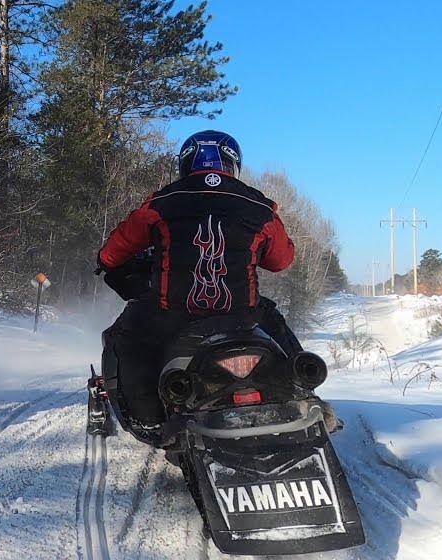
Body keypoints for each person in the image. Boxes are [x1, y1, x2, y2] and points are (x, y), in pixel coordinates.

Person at [97, 129, 306, 441]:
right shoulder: (259, 206)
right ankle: (304, 392)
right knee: (277, 328)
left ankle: (149, 419)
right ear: (233, 164)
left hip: (174, 316)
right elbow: (281, 260)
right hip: (242, 315)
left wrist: (107, 261)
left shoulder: (162, 202)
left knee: (122, 340)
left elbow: (114, 251)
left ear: (186, 164)